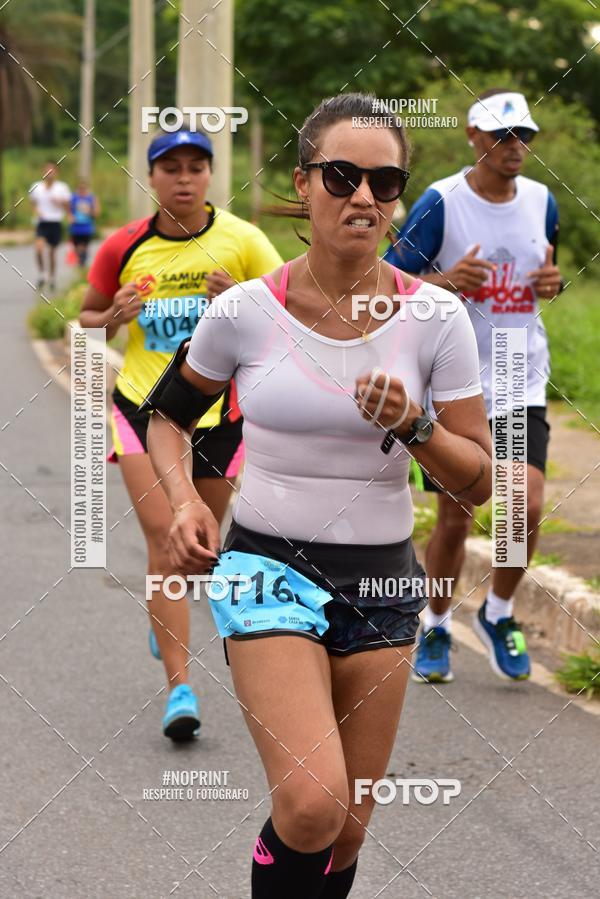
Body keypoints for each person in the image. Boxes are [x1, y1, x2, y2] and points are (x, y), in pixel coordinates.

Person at [146, 93, 491, 898]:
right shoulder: (244, 311)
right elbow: (164, 415)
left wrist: (416, 428)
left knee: (344, 837)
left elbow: (474, 479)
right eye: (341, 175)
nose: (363, 196)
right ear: (303, 184)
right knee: (311, 805)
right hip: (267, 566)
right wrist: (187, 502)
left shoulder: (435, 318)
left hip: (381, 582)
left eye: (384, 181)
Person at [79, 128, 282, 741]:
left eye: (197, 166)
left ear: (211, 175)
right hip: (143, 408)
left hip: (221, 418)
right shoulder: (125, 245)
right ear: (153, 177)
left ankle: (161, 611)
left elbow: (294, 309)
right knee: (170, 544)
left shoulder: (243, 241)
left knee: (199, 549)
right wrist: (111, 316)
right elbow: (86, 319)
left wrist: (245, 300)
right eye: (172, 168)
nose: (185, 178)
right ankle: (181, 688)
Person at [384, 89, 562, 684]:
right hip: (455, 380)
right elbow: (389, 283)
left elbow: (546, 274)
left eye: (523, 137)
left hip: (518, 372)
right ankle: (434, 622)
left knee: (525, 504)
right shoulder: (442, 202)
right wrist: (444, 279)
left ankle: (499, 611)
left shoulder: (542, 201)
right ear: (473, 136)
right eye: (501, 136)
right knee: (457, 516)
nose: (514, 148)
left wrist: (552, 284)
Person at [30, 161, 71, 291]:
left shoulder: (62, 188)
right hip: (42, 222)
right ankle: (42, 273)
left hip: (55, 222)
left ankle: (52, 277)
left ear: (56, 173)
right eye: (47, 171)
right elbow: (33, 203)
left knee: (52, 252)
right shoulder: (36, 187)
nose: (49, 174)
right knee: (39, 249)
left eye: (52, 171)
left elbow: (68, 206)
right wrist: (37, 212)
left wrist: (60, 203)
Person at [69, 180, 100, 267]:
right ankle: (80, 261)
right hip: (75, 227)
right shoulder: (73, 198)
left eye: (83, 188)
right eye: (80, 188)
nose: (82, 190)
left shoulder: (92, 198)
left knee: (84, 246)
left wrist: (89, 211)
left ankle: (82, 262)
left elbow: (97, 212)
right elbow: (69, 210)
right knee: (77, 247)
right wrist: (71, 217)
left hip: (87, 227)